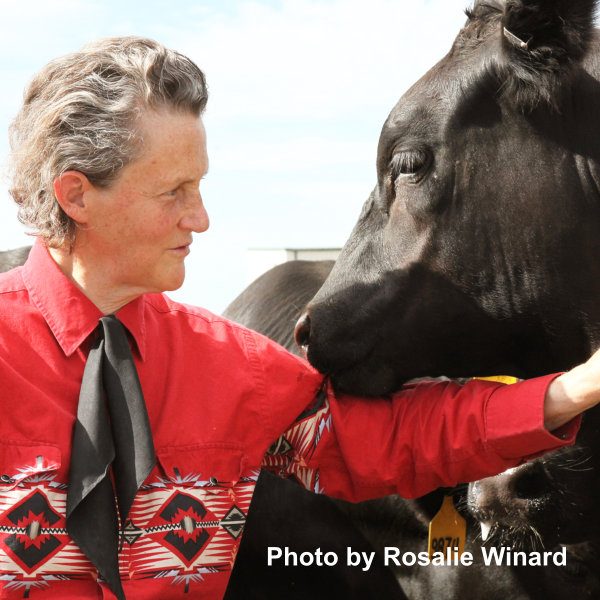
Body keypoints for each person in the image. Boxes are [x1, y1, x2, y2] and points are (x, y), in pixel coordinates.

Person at [1, 36, 599, 600]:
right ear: (77, 196)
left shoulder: (229, 368)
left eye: (200, 186)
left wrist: (574, 389)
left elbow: (387, 441)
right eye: (173, 192)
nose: (201, 218)